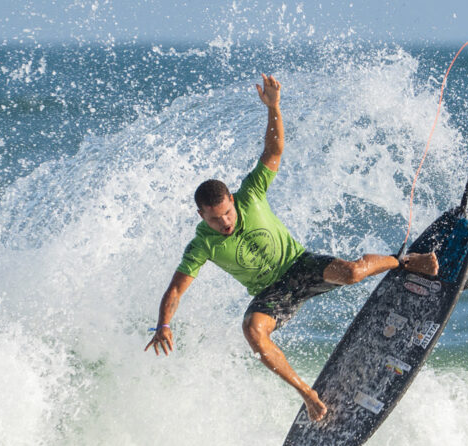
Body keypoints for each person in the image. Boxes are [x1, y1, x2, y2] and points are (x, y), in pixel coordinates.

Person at [144, 73, 438, 422]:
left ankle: (403, 262)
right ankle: (308, 394)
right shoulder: (201, 244)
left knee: (353, 272)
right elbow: (177, 288)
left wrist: (274, 107)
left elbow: (274, 150)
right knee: (253, 330)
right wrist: (163, 325)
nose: (223, 223)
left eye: (226, 214)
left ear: (232, 203)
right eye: (214, 219)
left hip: (299, 264)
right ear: (201, 215)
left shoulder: (250, 194)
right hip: (272, 292)